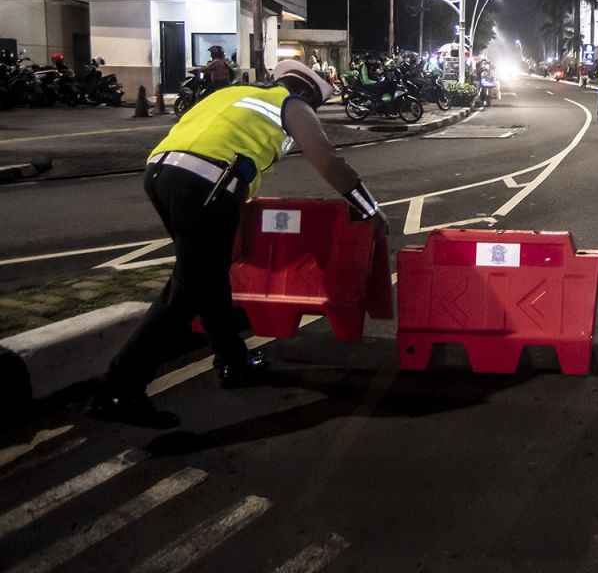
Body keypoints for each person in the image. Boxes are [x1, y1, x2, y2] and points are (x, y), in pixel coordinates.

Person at [88, 60, 388, 428]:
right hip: (207, 185)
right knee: (187, 289)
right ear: (308, 92)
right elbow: (329, 161)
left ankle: (233, 361)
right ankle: (119, 389)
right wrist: (369, 209)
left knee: (208, 280)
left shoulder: (230, 93)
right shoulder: (291, 104)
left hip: (160, 174)